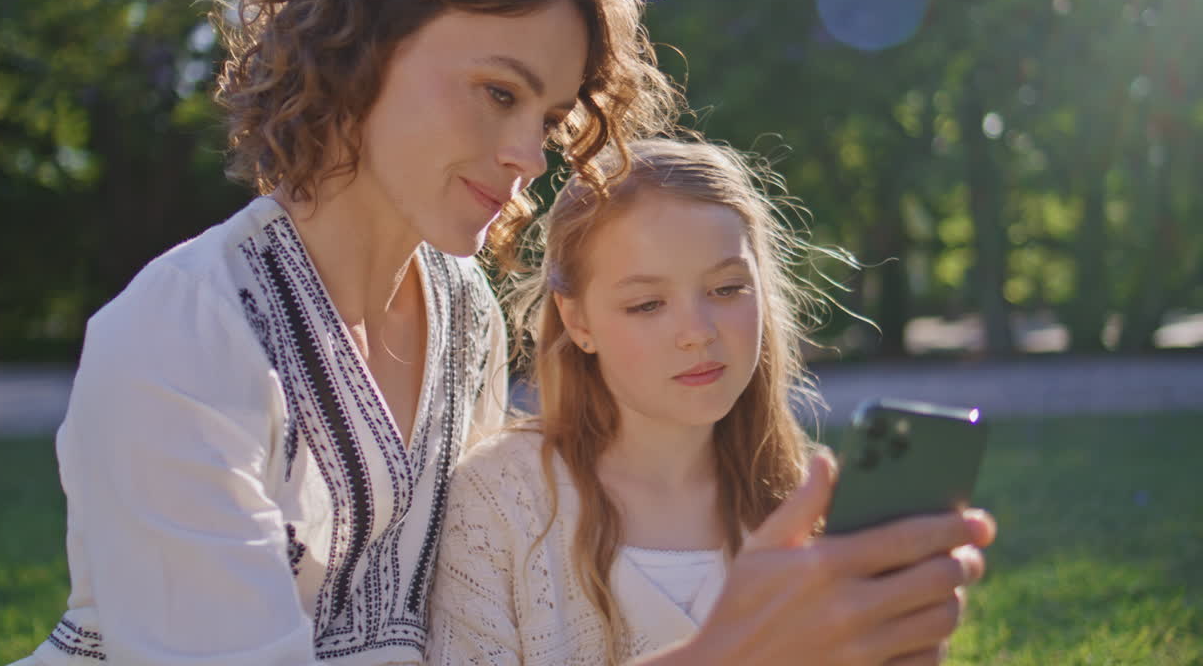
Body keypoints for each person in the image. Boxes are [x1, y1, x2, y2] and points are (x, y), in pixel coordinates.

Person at [15, 0, 678, 665]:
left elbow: (474, 626)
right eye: (498, 93)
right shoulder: (185, 329)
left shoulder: (466, 314)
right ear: (362, 51)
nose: (529, 156)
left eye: (548, 121)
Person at [425, 137, 998, 665]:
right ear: (578, 322)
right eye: (647, 304)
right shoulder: (498, 502)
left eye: (727, 289)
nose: (698, 332)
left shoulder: (795, 506)